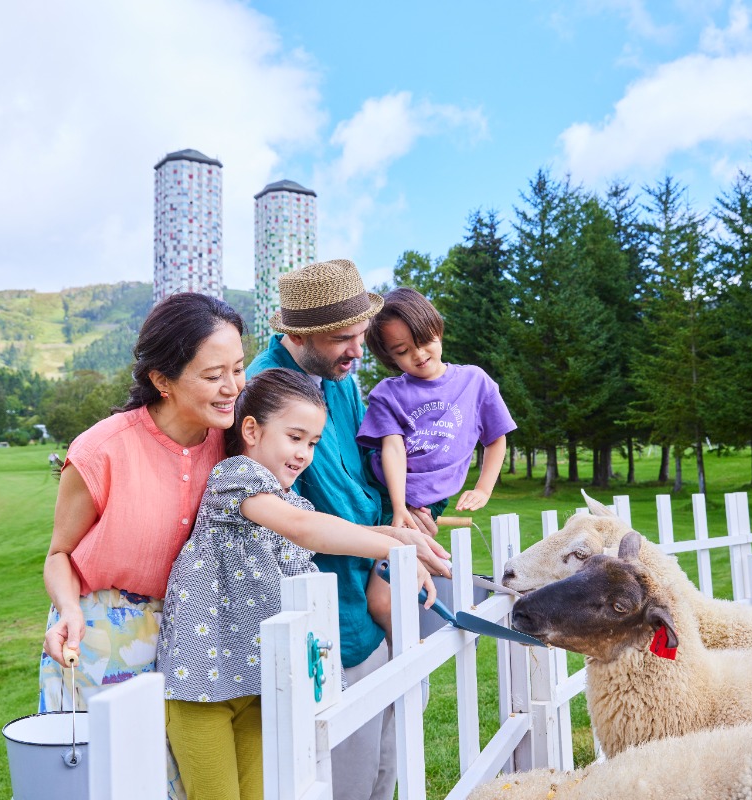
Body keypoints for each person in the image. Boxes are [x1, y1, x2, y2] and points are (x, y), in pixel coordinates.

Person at [158, 368, 437, 800]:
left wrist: (398, 537)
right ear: (251, 429)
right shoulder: (235, 478)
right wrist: (388, 549)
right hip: (202, 687)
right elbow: (305, 529)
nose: (304, 453)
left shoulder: (287, 501)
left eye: (312, 443)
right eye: (295, 437)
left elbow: (322, 525)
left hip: (258, 684)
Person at [246, 258, 451, 800]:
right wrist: (390, 542)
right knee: (347, 775)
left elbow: (365, 473)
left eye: (361, 335)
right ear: (297, 333)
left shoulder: (340, 382)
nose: (358, 351)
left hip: (375, 585)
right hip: (326, 611)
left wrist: (401, 514)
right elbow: (295, 514)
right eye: (344, 338)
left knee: (391, 755)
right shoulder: (262, 393)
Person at [36, 292, 246, 800]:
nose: (232, 388)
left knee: (185, 785)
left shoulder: (238, 443)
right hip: (98, 639)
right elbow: (59, 555)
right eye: (213, 374)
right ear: (162, 380)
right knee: (105, 785)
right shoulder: (100, 450)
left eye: (238, 369)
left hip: (196, 637)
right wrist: (67, 609)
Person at [358, 286, 516, 529]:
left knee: (411, 553)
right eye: (403, 351)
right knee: (382, 553)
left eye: (424, 341)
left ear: (437, 330)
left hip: (432, 496)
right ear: (390, 357)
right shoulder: (387, 394)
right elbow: (393, 449)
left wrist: (483, 489)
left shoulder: (475, 381)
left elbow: (496, 437)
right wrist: (399, 507)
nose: (419, 354)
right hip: (382, 487)